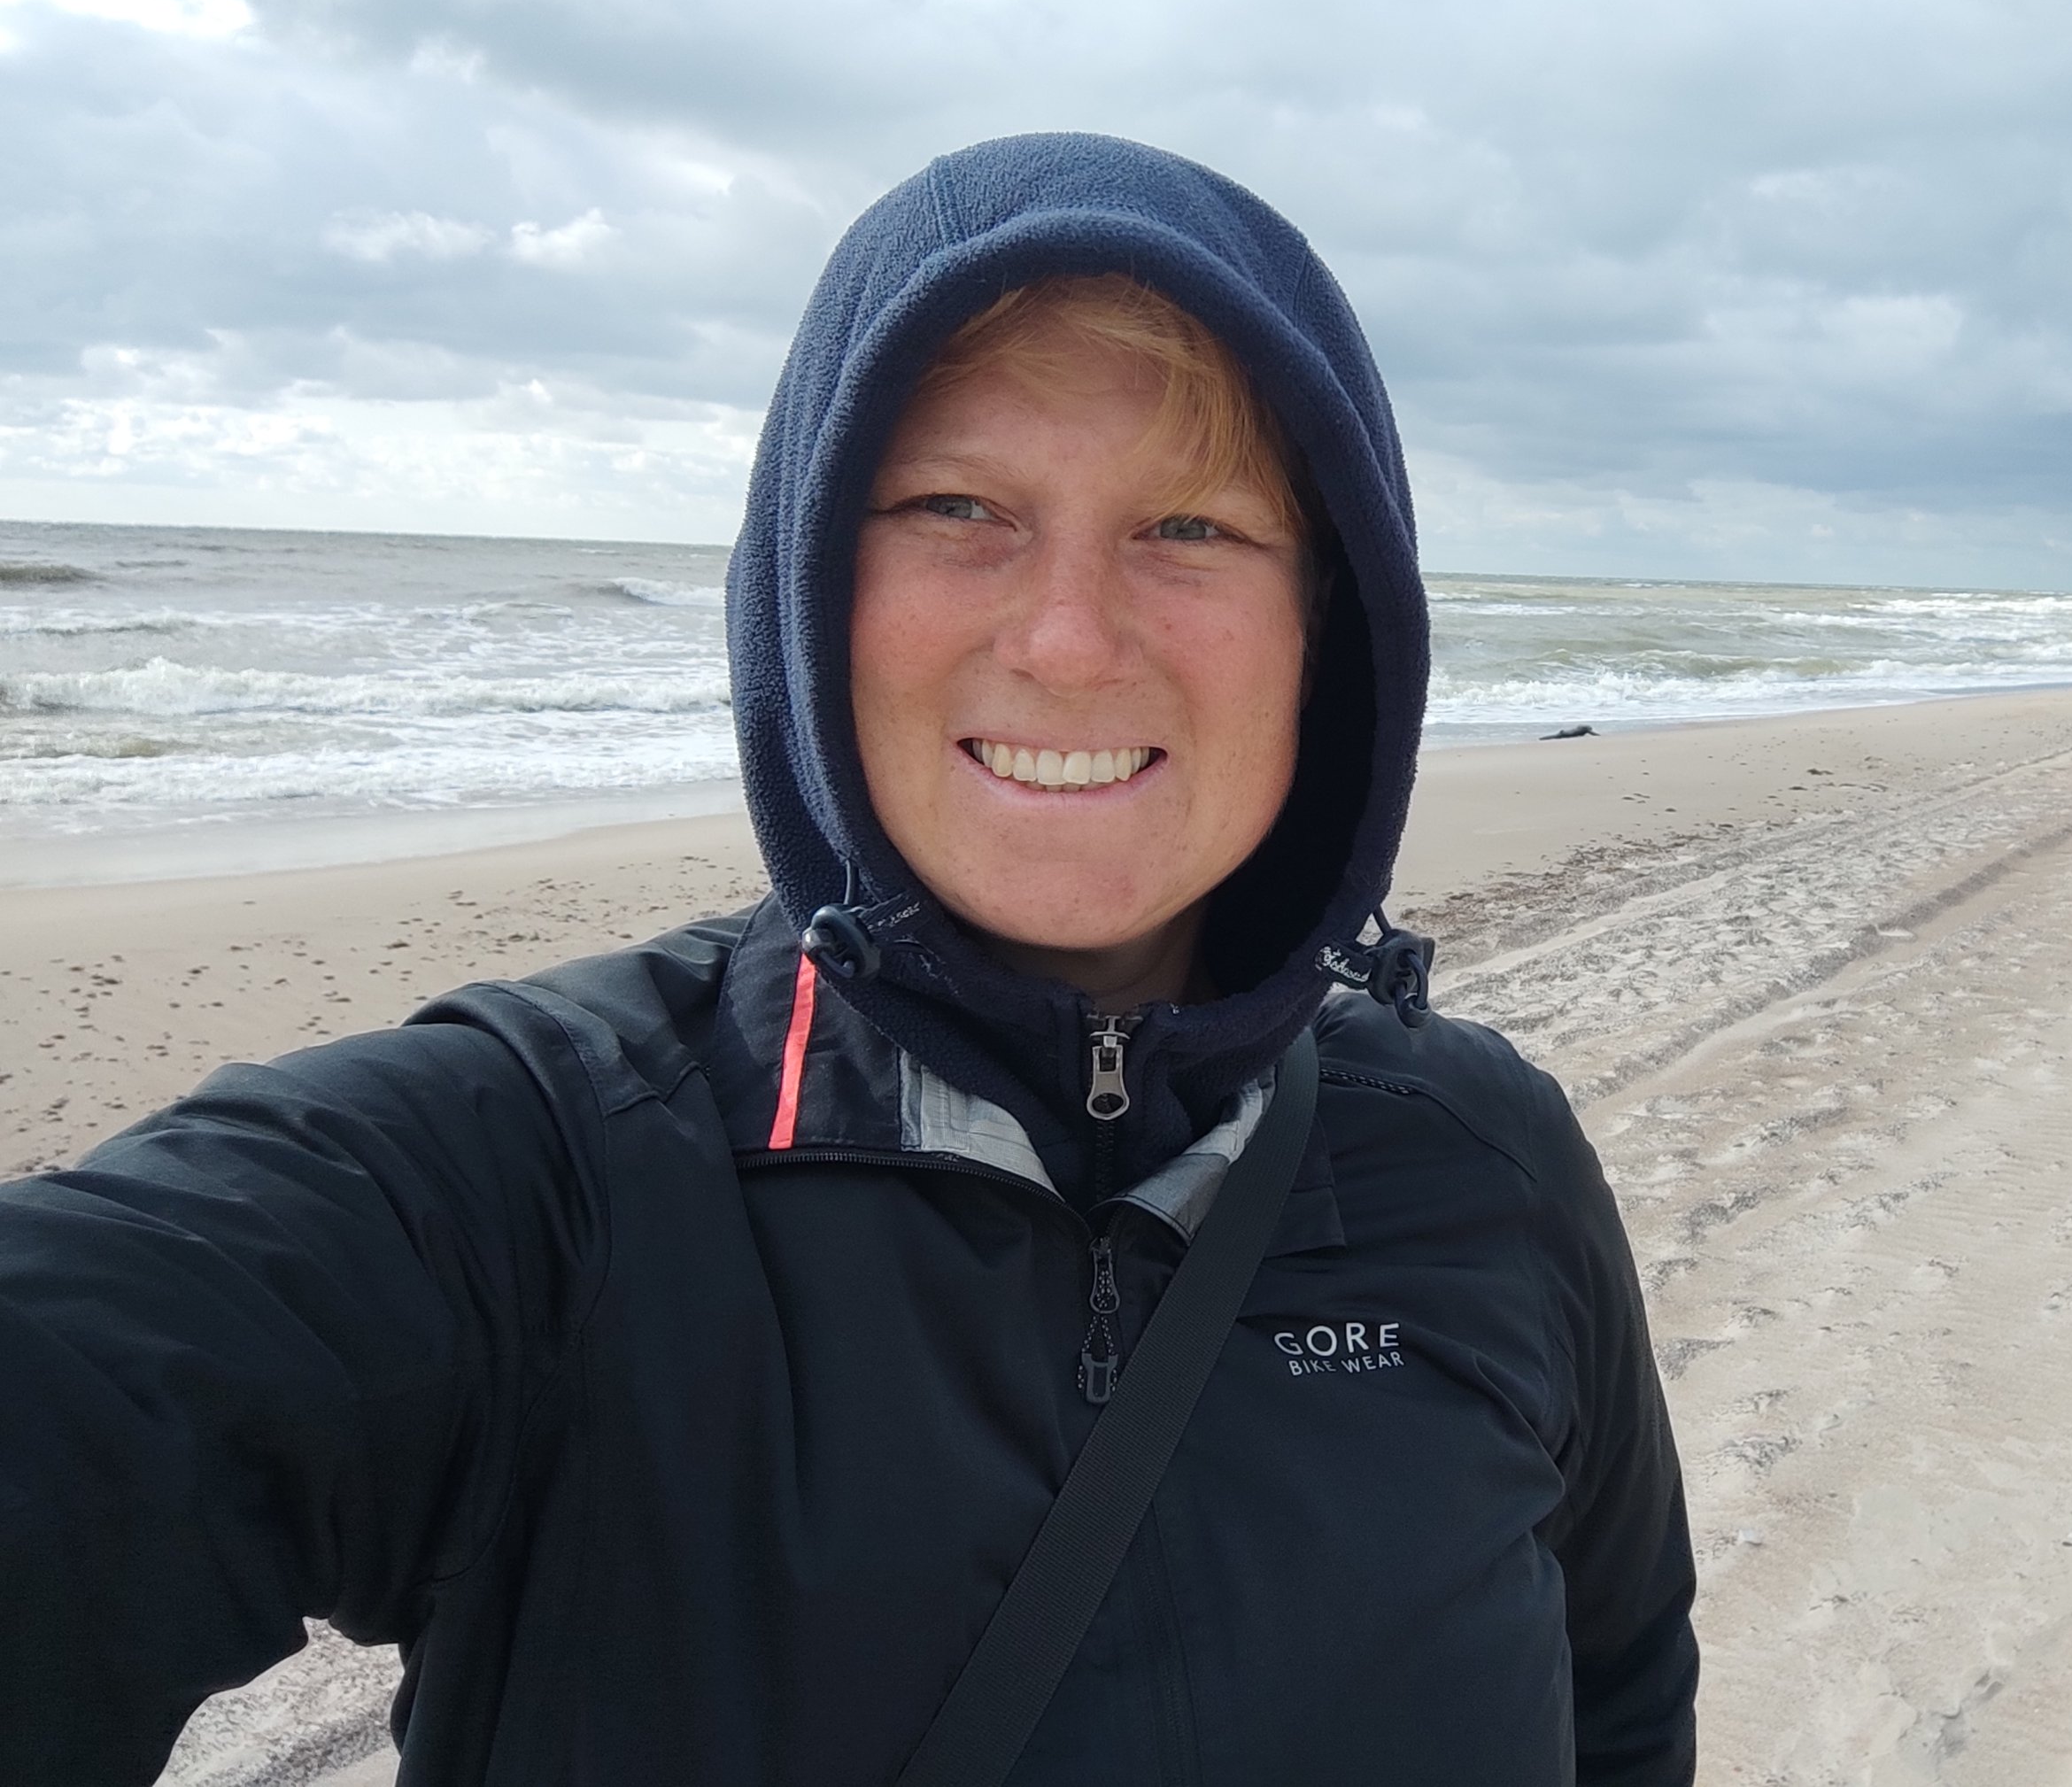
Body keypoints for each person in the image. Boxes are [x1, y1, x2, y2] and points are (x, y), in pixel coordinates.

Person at [0, 134, 1697, 1785]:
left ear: (1329, 621)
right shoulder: (540, 1175)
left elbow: (1621, 1696)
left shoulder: (1487, 1161)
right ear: (809, 583)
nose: (1067, 640)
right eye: (958, 505)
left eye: (1190, 526)